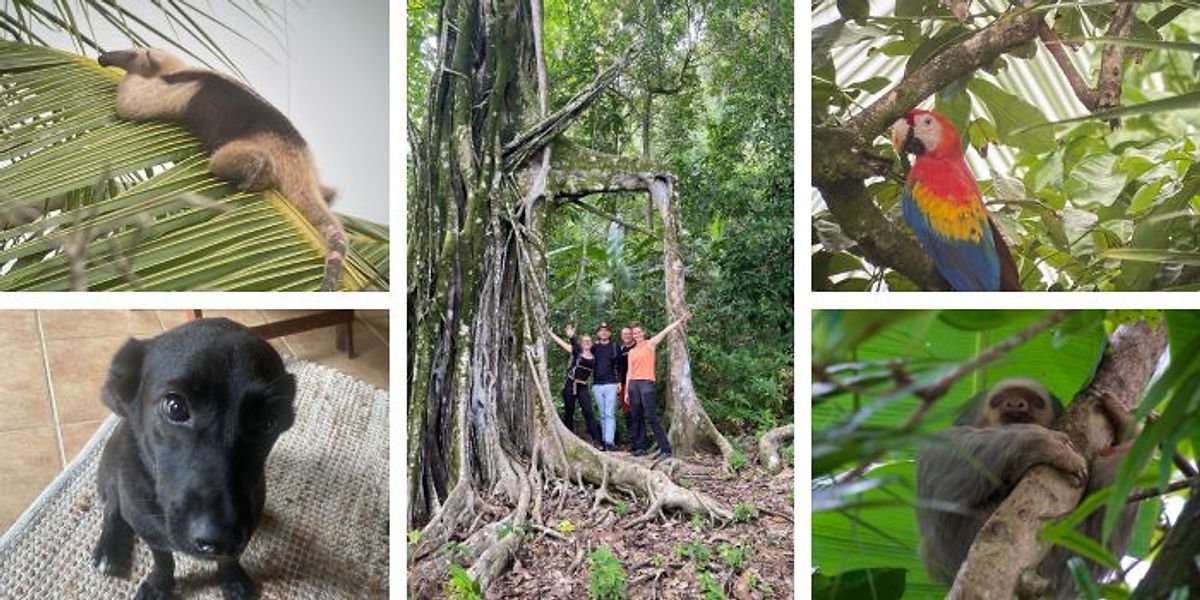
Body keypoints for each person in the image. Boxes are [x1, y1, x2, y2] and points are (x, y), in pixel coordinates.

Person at [625, 312, 691, 458]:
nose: (636, 335)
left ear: (643, 333)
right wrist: (626, 392)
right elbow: (629, 371)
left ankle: (665, 449)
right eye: (634, 333)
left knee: (651, 416)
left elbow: (666, 331)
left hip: (646, 383)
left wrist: (679, 321)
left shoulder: (651, 343)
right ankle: (641, 448)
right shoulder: (631, 352)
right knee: (636, 416)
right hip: (633, 385)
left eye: (638, 332)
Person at [547, 324, 601, 445]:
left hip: (583, 386)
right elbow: (563, 344)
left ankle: (597, 440)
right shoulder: (577, 352)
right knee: (569, 411)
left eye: (589, 341)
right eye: (584, 341)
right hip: (570, 384)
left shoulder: (595, 356)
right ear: (581, 343)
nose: (587, 343)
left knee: (588, 411)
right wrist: (551, 334)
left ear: (592, 343)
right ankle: (568, 440)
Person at [589, 323, 621, 451]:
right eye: (601, 331)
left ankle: (609, 441)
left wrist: (619, 382)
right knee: (602, 414)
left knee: (609, 413)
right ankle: (604, 440)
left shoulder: (614, 346)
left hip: (611, 384)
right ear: (598, 334)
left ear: (609, 333)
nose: (603, 333)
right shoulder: (594, 348)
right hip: (597, 385)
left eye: (606, 331)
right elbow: (581, 353)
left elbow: (619, 366)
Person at [616, 326, 636, 450]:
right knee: (628, 414)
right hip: (623, 385)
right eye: (624, 334)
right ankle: (632, 442)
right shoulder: (621, 349)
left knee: (637, 413)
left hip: (636, 383)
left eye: (629, 334)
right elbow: (618, 368)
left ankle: (640, 443)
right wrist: (618, 382)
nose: (627, 336)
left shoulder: (637, 347)